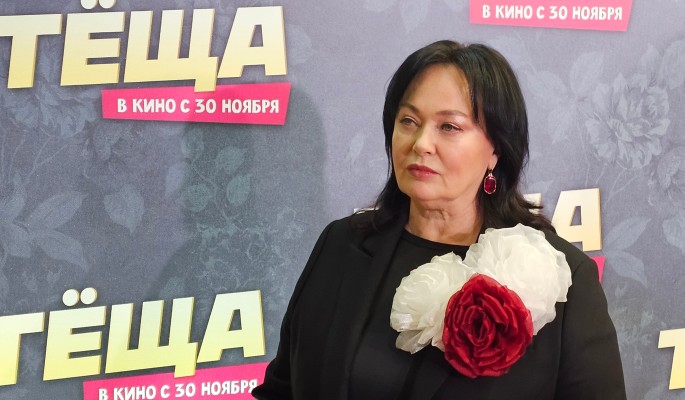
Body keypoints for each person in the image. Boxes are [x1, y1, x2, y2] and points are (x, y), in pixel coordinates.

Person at [252, 40, 626, 399]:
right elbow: (282, 390)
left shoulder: (561, 280)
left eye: (449, 127)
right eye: (408, 121)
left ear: (495, 150)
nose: (420, 144)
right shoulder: (341, 245)